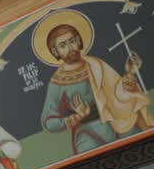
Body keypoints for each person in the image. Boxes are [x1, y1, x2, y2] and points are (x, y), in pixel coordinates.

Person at [38, 12, 149, 154]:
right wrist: (77, 116)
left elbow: (117, 94)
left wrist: (129, 74)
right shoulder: (57, 82)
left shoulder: (95, 64)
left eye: (72, 41)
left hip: (114, 121)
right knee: (92, 156)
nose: (70, 48)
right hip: (87, 132)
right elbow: (48, 122)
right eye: (63, 45)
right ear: (55, 51)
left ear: (78, 41)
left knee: (141, 145)